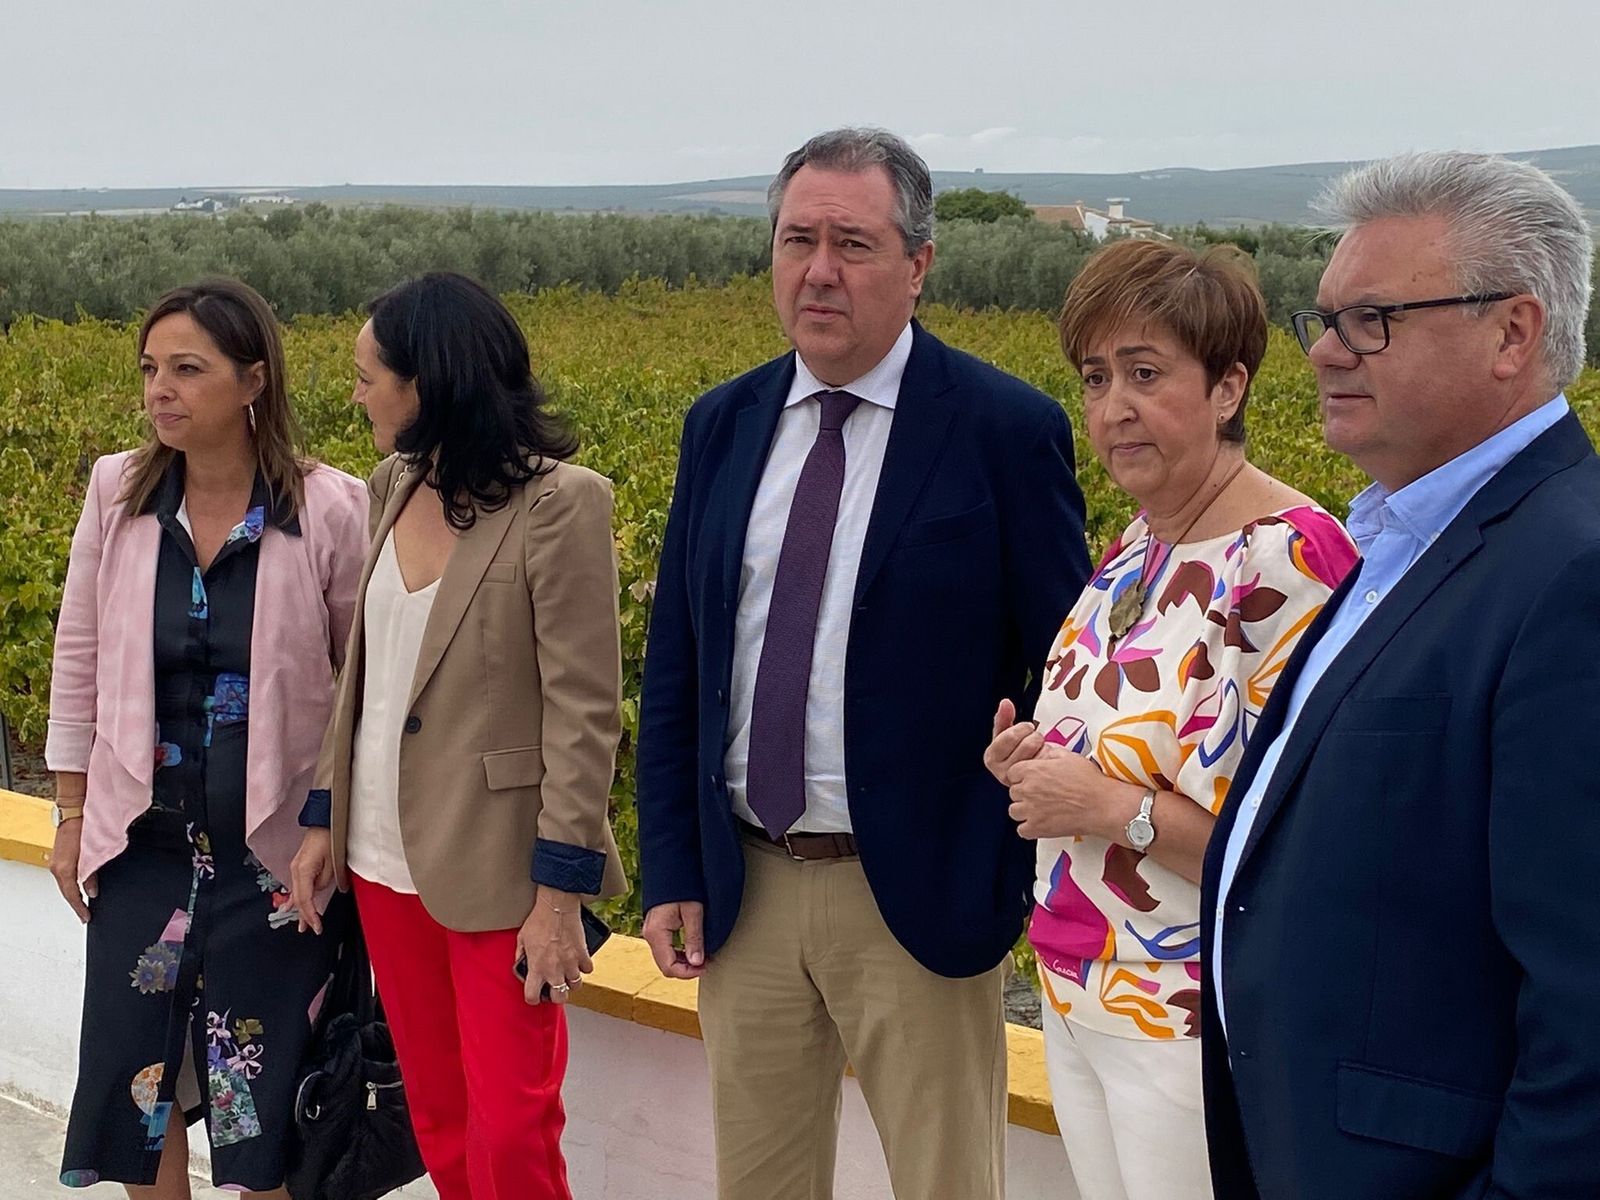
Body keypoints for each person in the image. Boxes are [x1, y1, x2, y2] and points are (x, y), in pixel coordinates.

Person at [635, 126, 1091, 1200]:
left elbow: (1062, 668)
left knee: (946, 1185)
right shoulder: (722, 425)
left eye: (853, 243)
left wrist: (1003, 866)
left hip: (916, 902)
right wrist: (672, 867)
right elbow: (680, 663)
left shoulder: (1003, 429)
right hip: (744, 889)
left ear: (918, 264)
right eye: (798, 240)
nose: (819, 271)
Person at [1201, 151, 1600, 1199]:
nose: (1324, 351)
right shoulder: (1402, 540)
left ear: (1512, 333)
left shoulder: (1573, 574)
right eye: (1325, 318)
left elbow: (1586, 1004)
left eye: (1372, 320)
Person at [984, 239, 1357, 1200]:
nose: (1114, 406)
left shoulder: (1288, 563)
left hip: (1191, 1011)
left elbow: (1295, 847)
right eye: (1096, 377)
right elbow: (1121, 750)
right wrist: (1033, 759)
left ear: (1228, 388)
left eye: (1146, 374)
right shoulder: (1136, 545)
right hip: (1079, 987)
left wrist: (1105, 806)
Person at [288, 271, 626, 1200]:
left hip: (498, 871)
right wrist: (323, 818)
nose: (354, 396)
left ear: (428, 382)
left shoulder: (561, 504)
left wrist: (559, 895)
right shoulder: (392, 483)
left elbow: (586, 713)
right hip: (381, 857)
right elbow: (365, 673)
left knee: (513, 1129)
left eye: (368, 378)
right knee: (437, 1117)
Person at [45, 278, 367, 1196]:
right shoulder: (118, 492)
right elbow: (78, 654)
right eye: (151, 368)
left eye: (188, 369)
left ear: (254, 379)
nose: (161, 389)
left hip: (276, 859)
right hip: (141, 845)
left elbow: (362, 689)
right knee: (135, 1095)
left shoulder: (328, 508)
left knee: (260, 1111)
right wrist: (70, 812)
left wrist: (327, 822)